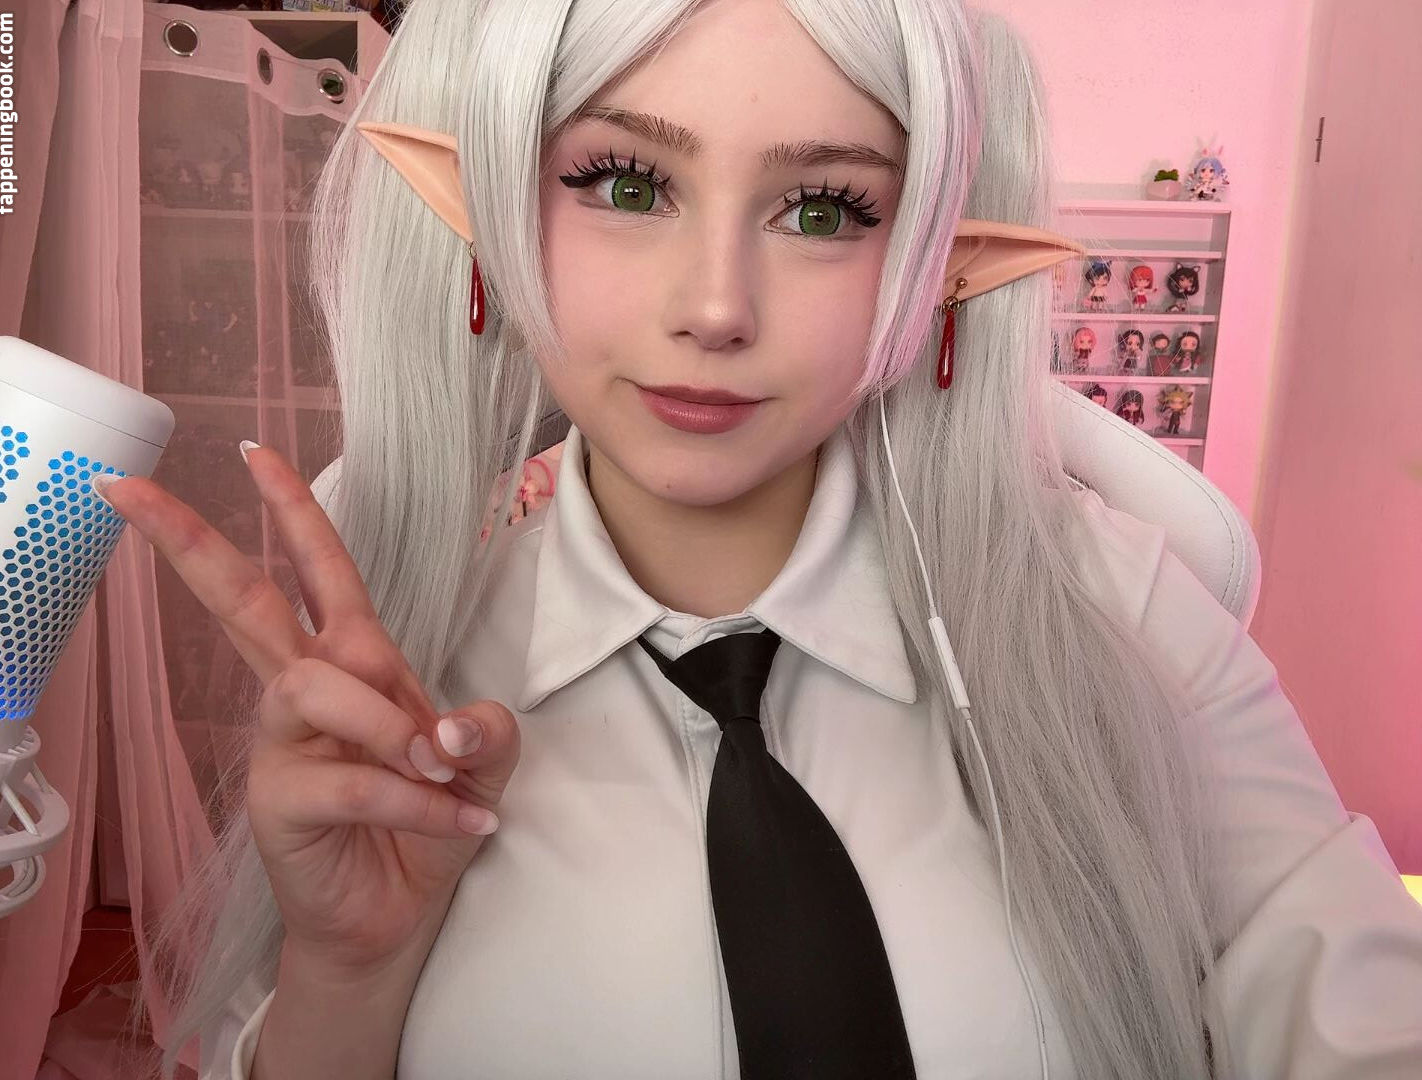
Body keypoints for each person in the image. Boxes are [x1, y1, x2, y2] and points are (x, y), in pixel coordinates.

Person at [97, 0, 1422, 1077]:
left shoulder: (1123, 615)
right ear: (488, 208)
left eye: (824, 210)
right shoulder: (402, 671)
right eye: (624, 181)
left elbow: (1352, 994)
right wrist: (348, 978)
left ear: (934, 261)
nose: (716, 306)